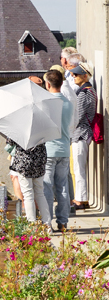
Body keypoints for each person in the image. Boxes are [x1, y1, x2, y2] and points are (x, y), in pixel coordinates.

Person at [43, 68, 73, 232]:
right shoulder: (67, 103)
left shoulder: (46, 103)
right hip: (64, 149)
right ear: (62, 83)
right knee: (62, 187)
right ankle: (63, 222)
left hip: (49, 150)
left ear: (48, 84)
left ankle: (47, 223)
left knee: (47, 187)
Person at [9, 135, 51, 227]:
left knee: (28, 195)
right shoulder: (42, 123)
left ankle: (32, 224)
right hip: (39, 161)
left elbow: (10, 142)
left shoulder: (19, 125)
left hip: (24, 162)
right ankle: (47, 225)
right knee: (40, 193)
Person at [71, 62, 97, 209]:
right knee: (79, 168)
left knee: (78, 168)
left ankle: (81, 200)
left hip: (80, 133)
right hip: (83, 133)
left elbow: (77, 116)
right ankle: (82, 198)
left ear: (85, 76)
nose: (73, 76)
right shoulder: (89, 91)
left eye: (76, 74)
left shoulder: (84, 92)